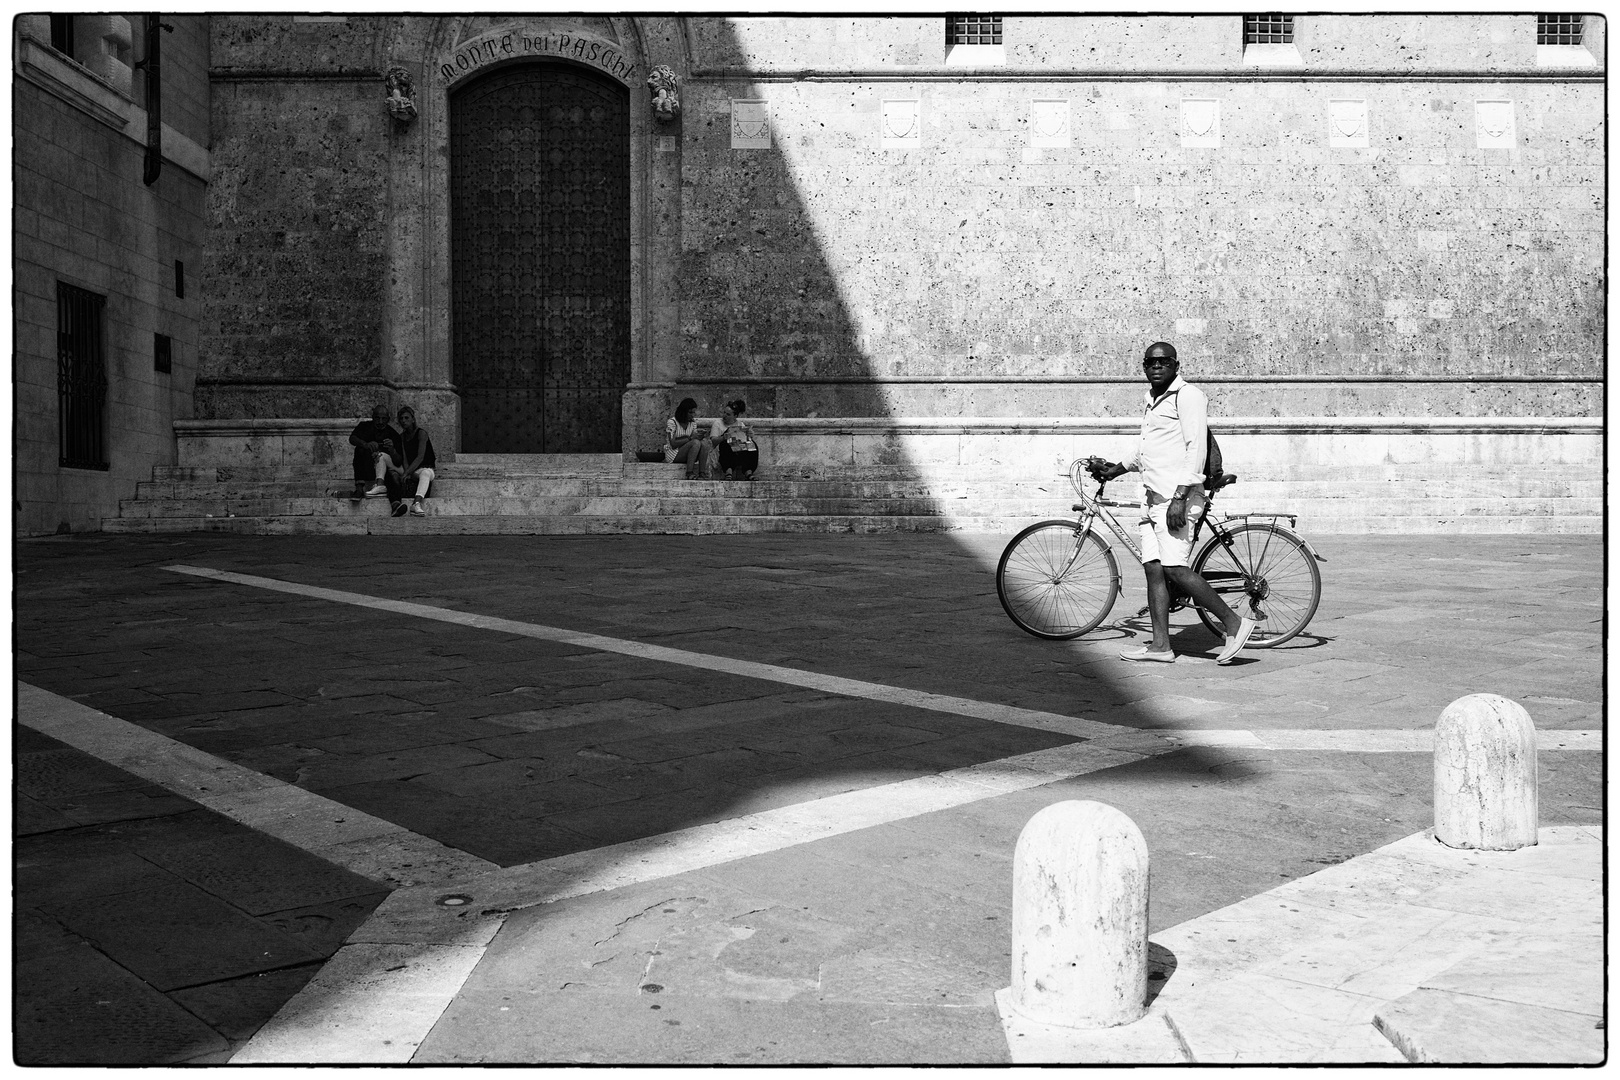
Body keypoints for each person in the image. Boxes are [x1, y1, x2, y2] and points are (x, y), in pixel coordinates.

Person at [1089, 342, 1255, 665]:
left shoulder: (1188, 396)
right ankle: (1161, 646)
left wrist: (1180, 496)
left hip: (1176, 498)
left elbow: (1196, 450)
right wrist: (1114, 469)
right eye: (1150, 362)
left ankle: (1235, 623)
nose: (1157, 366)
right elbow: (1145, 448)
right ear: (1144, 367)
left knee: (1175, 568)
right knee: (1153, 569)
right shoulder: (1152, 400)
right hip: (1151, 497)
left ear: (1176, 365)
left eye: (1164, 361)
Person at [348, 403, 407, 515]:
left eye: (383, 419)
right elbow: (352, 438)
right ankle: (359, 488)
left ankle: (395, 504)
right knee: (359, 450)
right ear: (373, 417)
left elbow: (399, 461)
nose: (380, 422)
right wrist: (365, 444)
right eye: (377, 418)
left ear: (388, 419)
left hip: (383, 471)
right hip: (366, 467)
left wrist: (392, 450)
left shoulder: (393, 434)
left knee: (391, 475)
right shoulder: (364, 426)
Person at [389, 405, 437, 516]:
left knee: (426, 473)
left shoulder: (421, 433)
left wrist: (407, 473)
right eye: (401, 418)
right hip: (412, 470)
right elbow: (405, 458)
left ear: (413, 419)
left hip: (424, 467)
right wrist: (407, 473)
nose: (403, 421)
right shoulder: (402, 437)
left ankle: (416, 503)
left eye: (406, 418)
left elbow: (420, 457)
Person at [710, 399, 759, 481]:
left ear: (735, 416)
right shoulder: (718, 423)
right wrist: (723, 437)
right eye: (724, 413)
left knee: (752, 445)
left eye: (728, 414)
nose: (724, 416)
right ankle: (728, 471)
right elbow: (713, 441)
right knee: (726, 443)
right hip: (723, 452)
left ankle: (748, 472)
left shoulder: (740, 424)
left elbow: (744, 439)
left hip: (738, 451)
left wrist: (749, 435)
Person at [665, 397, 711, 479]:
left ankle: (702, 473)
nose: (692, 415)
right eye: (690, 412)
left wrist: (701, 435)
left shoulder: (692, 423)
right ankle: (689, 473)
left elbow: (695, 438)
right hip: (674, 454)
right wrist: (690, 438)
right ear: (683, 412)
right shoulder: (672, 422)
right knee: (695, 443)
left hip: (689, 452)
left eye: (693, 413)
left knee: (704, 443)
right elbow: (673, 444)